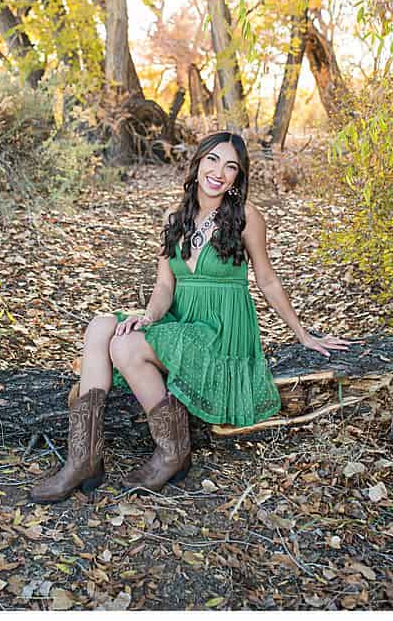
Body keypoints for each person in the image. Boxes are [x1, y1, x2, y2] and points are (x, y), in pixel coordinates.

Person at [29, 131, 357, 503]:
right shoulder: (175, 218)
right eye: (213, 160)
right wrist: (149, 317)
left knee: (125, 348)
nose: (219, 172)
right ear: (198, 163)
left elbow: (266, 279)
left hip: (220, 332)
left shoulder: (247, 217)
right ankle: (83, 459)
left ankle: (173, 452)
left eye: (231, 166)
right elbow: (164, 286)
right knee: (101, 326)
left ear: (238, 177)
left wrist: (303, 334)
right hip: (182, 320)